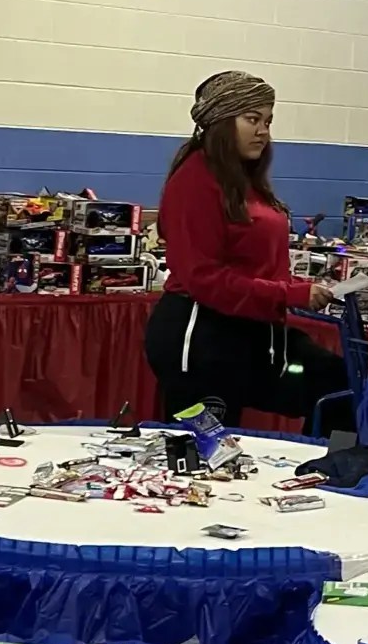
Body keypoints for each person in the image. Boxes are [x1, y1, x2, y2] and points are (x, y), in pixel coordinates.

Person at [147, 71, 346, 428]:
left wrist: (300, 287)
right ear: (221, 122)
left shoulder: (244, 180)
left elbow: (254, 263)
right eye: (252, 119)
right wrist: (291, 294)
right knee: (208, 450)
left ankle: (334, 460)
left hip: (254, 334)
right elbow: (204, 278)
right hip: (201, 338)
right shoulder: (195, 182)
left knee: (340, 387)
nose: (263, 131)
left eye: (268, 121)